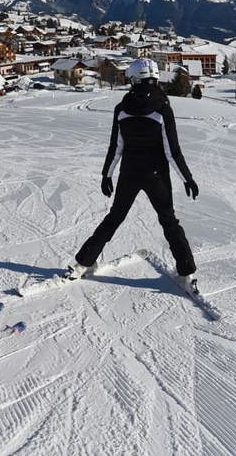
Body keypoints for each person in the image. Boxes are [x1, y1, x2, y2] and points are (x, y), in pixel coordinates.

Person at [67, 59, 201, 293]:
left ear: (134, 79)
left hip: (129, 172)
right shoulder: (162, 108)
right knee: (168, 220)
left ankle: (83, 263)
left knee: (115, 217)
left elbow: (116, 146)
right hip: (156, 174)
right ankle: (186, 273)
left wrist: (107, 174)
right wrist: (187, 178)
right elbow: (172, 150)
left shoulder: (122, 108)